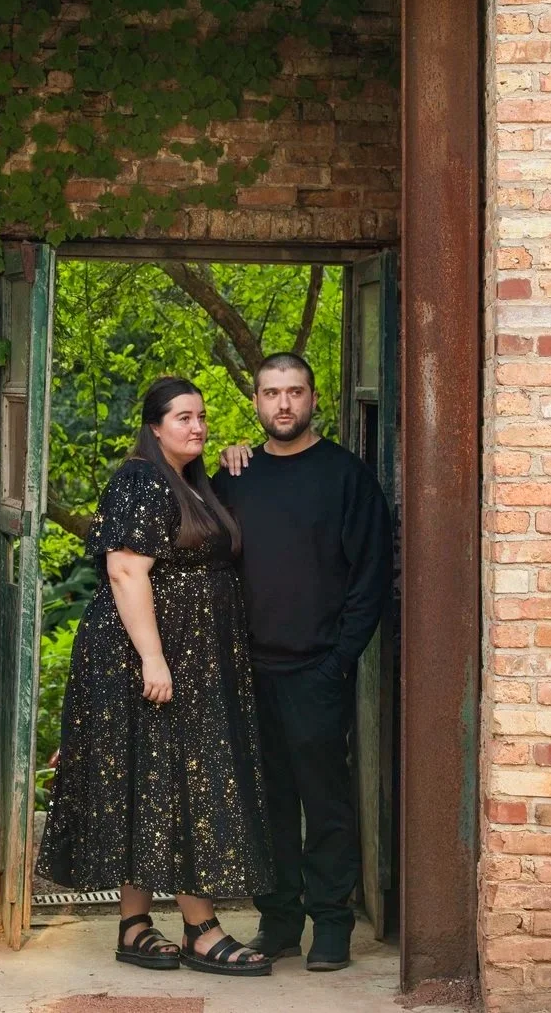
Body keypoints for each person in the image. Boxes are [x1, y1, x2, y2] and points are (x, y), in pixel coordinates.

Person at [37, 376, 274, 977]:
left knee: (153, 780)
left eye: (201, 416)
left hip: (189, 656)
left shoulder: (190, 483)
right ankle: (201, 927)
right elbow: (124, 571)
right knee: (184, 782)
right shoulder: (141, 480)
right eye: (182, 417)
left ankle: (133, 922)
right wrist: (153, 658)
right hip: (147, 657)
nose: (196, 426)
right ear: (154, 426)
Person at [212, 352, 393, 972]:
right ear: (256, 401)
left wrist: (339, 659)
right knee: (267, 803)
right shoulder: (233, 475)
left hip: (316, 669)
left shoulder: (347, 477)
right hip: (247, 670)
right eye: (270, 393)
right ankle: (280, 922)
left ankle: (333, 925)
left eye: (294, 392)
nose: (282, 405)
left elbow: (372, 575)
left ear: (315, 398)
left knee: (326, 800)